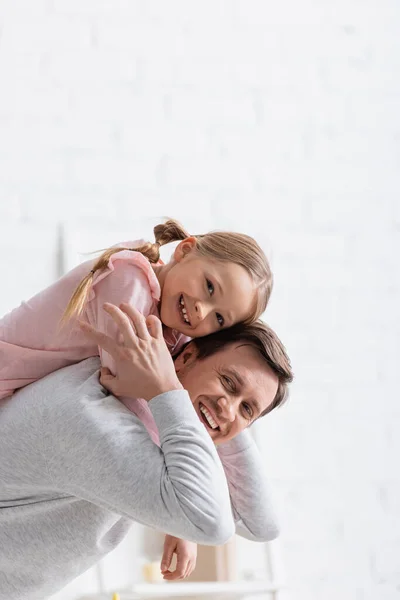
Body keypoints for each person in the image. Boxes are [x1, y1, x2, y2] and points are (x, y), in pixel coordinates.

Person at [0, 304, 293, 600]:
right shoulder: (93, 416)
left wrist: (213, 414)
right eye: (229, 382)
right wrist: (171, 388)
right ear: (187, 357)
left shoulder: (151, 418)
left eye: (247, 410)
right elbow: (211, 524)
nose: (229, 408)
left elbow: (263, 525)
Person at [0, 219, 273, 416]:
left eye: (220, 319)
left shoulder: (173, 326)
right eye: (209, 287)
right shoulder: (129, 280)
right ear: (185, 250)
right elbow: (127, 384)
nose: (203, 311)